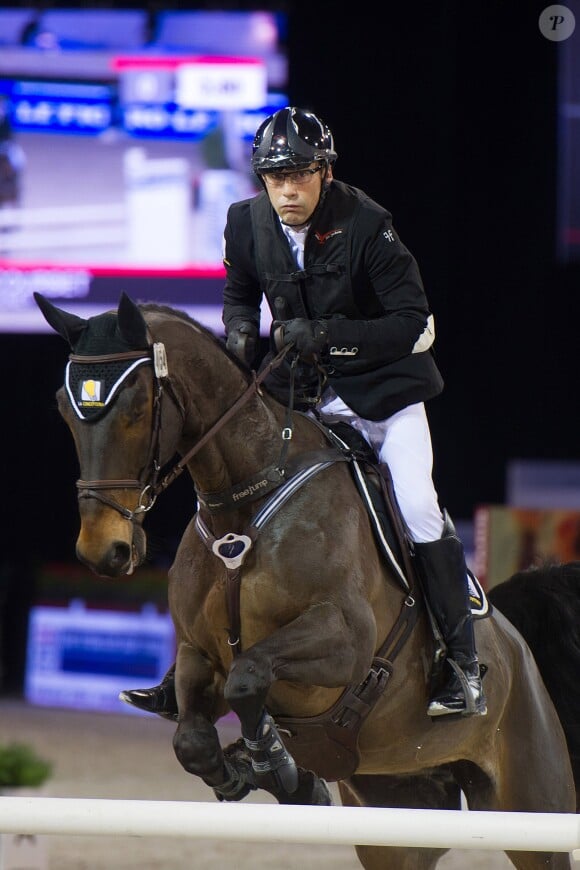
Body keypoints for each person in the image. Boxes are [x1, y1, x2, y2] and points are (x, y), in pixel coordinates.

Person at [121, 107, 486, 720]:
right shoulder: (245, 222)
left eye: (299, 175)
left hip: (383, 395)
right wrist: (239, 331)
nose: (287, 190)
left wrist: (327, 335)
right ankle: (192, 655)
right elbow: (239, 292)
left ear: (324, 171)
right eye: (274, 177)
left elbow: (412, 324)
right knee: (231, 479)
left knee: (418, 503)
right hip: (302, 391)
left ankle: (461, 660)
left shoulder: (368, 224)